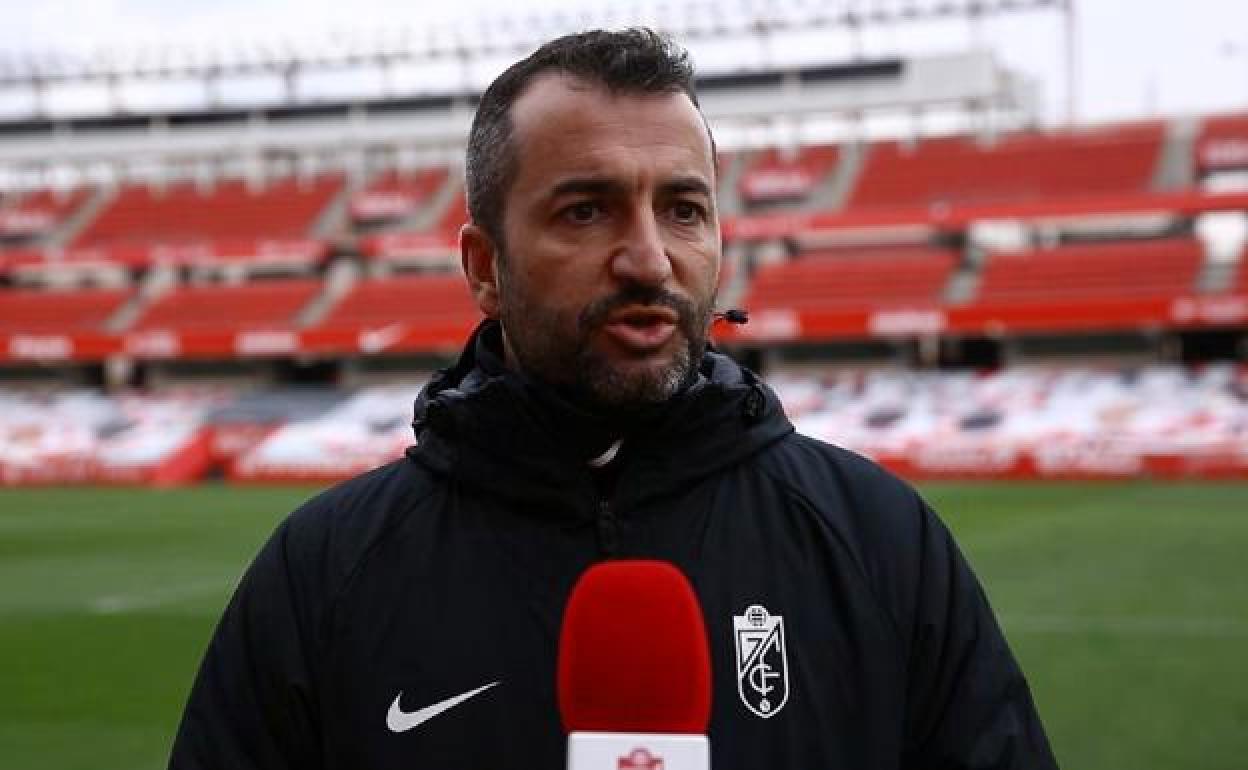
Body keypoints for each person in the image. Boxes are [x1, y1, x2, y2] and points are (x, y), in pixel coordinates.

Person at [169, 28, 1057, 770]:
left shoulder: (880, 542)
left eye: (682, 209)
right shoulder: (324, 575)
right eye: (586, 211)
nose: (648, 257)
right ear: (484, 267)